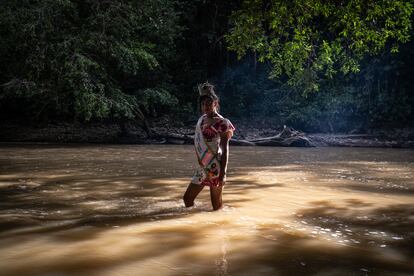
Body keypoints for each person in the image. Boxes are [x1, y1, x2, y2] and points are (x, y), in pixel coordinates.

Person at [183, 82, 235, 211]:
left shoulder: (223, 122)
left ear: (215, 103)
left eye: (208, 103)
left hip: (215, 166)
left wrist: (222, 174)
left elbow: (225, 149)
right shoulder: (202, 119)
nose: (205, 106)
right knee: (187, 199)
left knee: (216, 205)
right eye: (203, 104)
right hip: (203, 166)